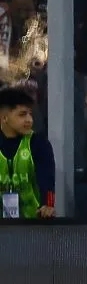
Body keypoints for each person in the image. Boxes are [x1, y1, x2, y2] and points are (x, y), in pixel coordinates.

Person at [0, 85, 54, 218]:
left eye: (30, 114)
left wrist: (48, 205)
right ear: (4, 118)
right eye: (22, 114)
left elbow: (47, 180)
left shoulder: (39, 143)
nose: (29, 120)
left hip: (32, 224)